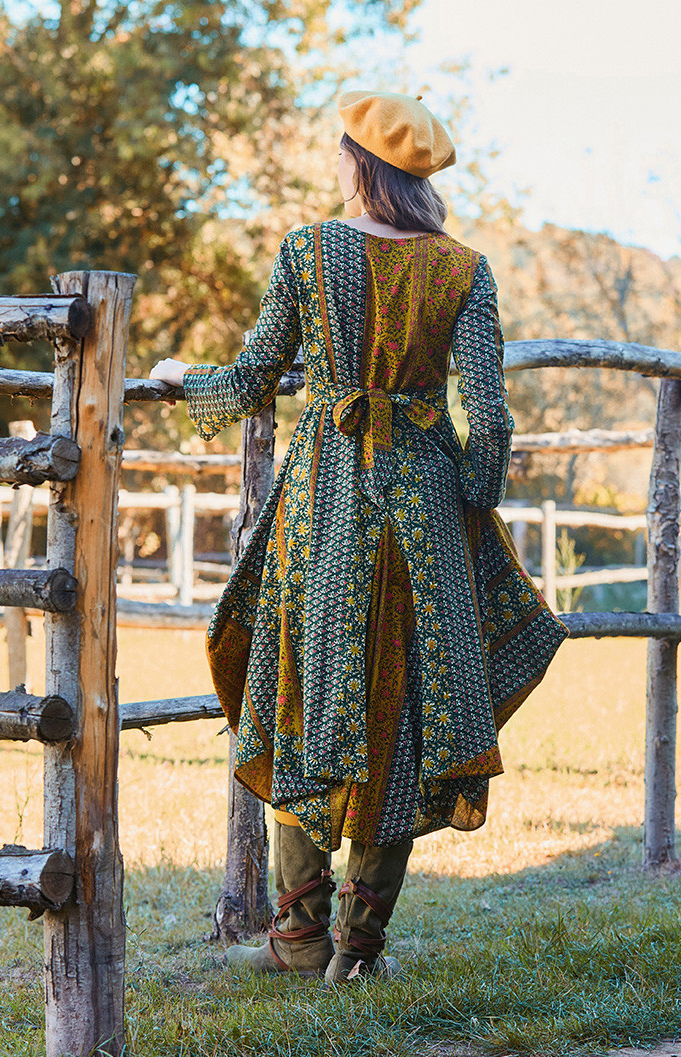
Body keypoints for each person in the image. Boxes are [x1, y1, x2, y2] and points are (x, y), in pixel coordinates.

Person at [149, 89, 568, 986]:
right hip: (425, 511)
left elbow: (252, 377)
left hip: (326, 500)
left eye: (342, 151)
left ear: (362, 164)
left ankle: (300, 937)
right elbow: (490, 418)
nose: (335, 162)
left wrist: (184, 380)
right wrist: (472, 504)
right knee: (403, 711)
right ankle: (359, 947)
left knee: (297, 693)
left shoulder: (308, 250)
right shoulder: (463, 269)